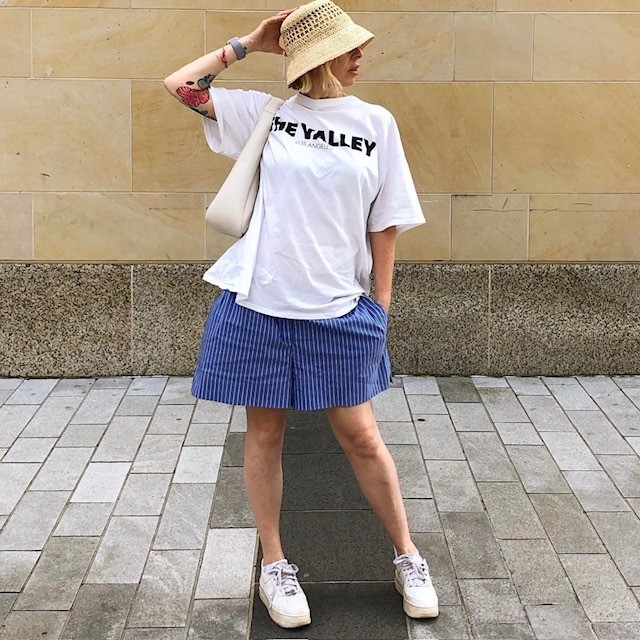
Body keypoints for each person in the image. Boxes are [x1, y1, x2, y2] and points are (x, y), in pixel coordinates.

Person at [164, 0, 439, 630]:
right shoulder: (267, 115)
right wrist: (248, 44)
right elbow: (181, 85)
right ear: (318, 58)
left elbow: (386, 221)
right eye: (348, 46)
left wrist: (381, 307)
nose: (360, 53)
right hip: (259, 302)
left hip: (341, 307)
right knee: (264, 434)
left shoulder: (376, 123)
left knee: (362, 437)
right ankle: (276, 564)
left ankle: (408, 555)